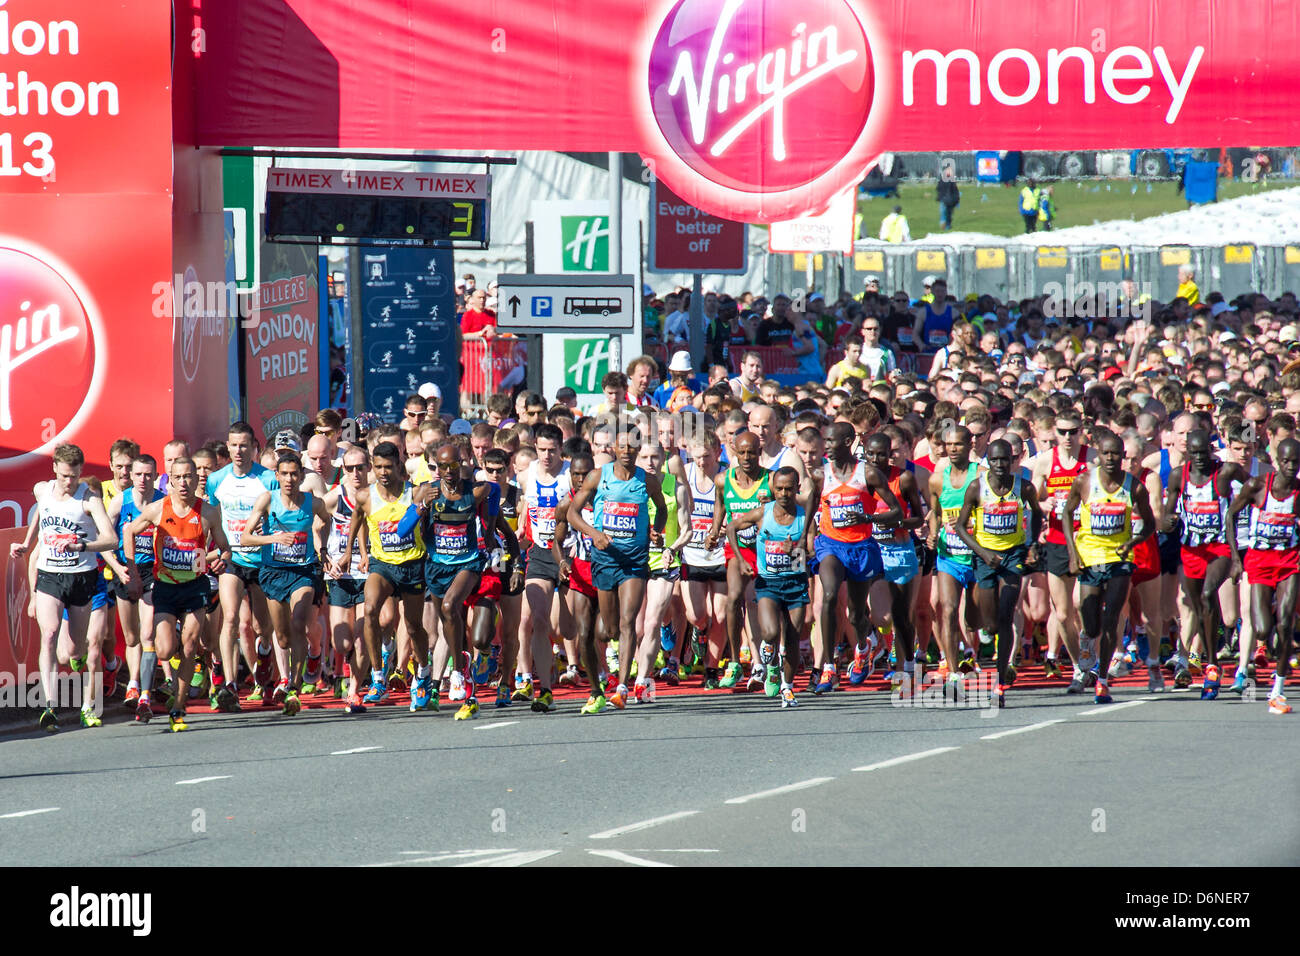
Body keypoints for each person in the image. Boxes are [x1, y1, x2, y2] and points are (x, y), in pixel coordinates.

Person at [10, 444, 120, 733]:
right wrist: (27, 543)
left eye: (74, 477)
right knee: (48, 633)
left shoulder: (89, 501)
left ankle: (77, 657)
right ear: (55, 469)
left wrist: (82, 545)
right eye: (64, 476)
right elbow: (40, 515)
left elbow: (111, 540)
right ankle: (50, 705)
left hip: (82, 576)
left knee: (73, 649)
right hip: (50, 574)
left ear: (81, 472)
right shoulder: (42, 490)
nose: (69, 482)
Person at [123, 456, 231, 732]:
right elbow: (129, 531)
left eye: (188, 477)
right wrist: (133, 571)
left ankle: (178, 707)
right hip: (166, 588)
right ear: (170, 480)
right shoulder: (158, 509)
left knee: (191, 646)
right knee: (165, 649)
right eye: (178, 477)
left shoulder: (208, 512)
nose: (183, 483)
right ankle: (175, 672)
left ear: (196, 479)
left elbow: (224, 547)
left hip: (195, 586)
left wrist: (220, 559)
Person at [567, 426, 667, 710]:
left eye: (631, 447)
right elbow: (573, 513)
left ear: (637, 450)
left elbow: (661, 509)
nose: (626, 452)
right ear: (614, 448)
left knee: (627, 622)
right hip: (605, 560)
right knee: (607, 630)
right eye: (621, 446)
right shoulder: (599, 477)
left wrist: (656, 531)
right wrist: (593, 533)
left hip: (634, 561)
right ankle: (605, 677)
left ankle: (622, 686)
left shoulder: (647, 481)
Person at [1063, 431, 1156, 705]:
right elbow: (1067, 513)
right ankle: (1086, 642)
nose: (1112, 458)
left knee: (1110, 619)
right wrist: (1072, 552)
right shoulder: (1084, 481)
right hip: (1090, 557)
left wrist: (1134, 541)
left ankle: (1101, 680)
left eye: (1117, 453)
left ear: (1123, 456)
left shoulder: (1134, 486)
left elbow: (1150, 524)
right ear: (1098, 454)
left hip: (1120, 559)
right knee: (1090, 621)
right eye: (1106, 453)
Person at [810, 422, 902, 694]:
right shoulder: (820, 474)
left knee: (857, 614)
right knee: (828, 597)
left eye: (831, 441)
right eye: (824, 440)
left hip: (861, 547)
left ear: (848, 441)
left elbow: (896, 512)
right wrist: (806, 538)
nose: (826, 446)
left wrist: (868, 518)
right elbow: (810, 504)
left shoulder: (869, 474)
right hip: (830, 545)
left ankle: (864, 646)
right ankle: (829, 667)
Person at [239, 451, 333, 715]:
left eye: (294, 474)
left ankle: (294, 686)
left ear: (301, 476)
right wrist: (273, 539)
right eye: (285, 474)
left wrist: (322, 548)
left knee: (299, 623)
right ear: (277, 476)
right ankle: (270, 656)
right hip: (274, 571)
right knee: (281, 636)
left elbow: (326, 522)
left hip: (304, 571)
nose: (290, 479)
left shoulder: (313, 504)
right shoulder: (268, 500)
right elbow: (246, 538)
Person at [340, 441, 431, 709]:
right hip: (383, 565)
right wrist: (351, 552)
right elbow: (357, 519)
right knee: (369, 610)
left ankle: (423, 673)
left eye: (388, 467)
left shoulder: (413, 493)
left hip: (412, 564)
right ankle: (378, 677)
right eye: (378, 467)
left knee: (413, 626)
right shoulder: (366, 496)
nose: (383, 472)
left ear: (399, 465)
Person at [409, 443, 496, 720]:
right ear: (436, 465)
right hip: (436, 566)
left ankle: (458, 670)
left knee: (449, 607)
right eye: (442, 466)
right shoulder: (426, 489)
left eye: (453, 466)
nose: (448, 471)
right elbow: (401, 529)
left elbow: (494, 492)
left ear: (463, 463)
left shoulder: (475, 489)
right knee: (445, 623)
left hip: (468, 564)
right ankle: (463, 671)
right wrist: (422, 506)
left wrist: (490, 526)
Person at [955, 439, 1043, 707]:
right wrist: (983, 553)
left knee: (1005, 617)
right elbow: (960, 527)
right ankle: (982, 619)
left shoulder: (1024, 487)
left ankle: (1000, 682)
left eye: (1005, 459)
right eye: (994, 460)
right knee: (990, 624)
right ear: (988, 462)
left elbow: (1037, 513)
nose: (1000, 465)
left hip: (1013, 557)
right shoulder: (976, 487)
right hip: (985, 558)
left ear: (1013, 460)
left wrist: (1033, 543)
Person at [1161, 429, 1247, 698]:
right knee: (1198, 607)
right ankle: (1212, 662)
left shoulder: (1226, 472)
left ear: (1211, 450)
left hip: (1220, 547)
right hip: (1191, 549)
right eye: (1193, 453)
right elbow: (1168, 513)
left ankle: (1211, 666)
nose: (1199, 458)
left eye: (1203, 453)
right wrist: (1167, 522)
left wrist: (1242, 510)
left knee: (1210, 594)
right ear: (1188, 453)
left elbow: (1255, 487)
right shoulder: (1179, 476)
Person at [725, 467, 813, 708]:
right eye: (779, 488)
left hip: (795, 583)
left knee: (793, 637)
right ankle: (771, 664)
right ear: (773, 489)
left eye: (789, 488)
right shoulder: (763, 513)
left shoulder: (805, 518)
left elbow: (812, 553)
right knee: (771, 633)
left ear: (797, 489)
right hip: (768, 583)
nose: (784, 493)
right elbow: (732, 527)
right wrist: (741, 560)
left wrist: (795, 551)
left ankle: (787, 687)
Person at [1227, 437, 1300, 714]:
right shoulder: (1257, 486)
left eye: (1296, 461)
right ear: (1277, 460)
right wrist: (1236, 559)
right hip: (1258, 562)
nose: (1291, 466)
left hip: (1289, 562)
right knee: (1261, 629)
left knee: (1284, 626)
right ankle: (1260, 657)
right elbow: (1230, 515)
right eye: (1286, 461)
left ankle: (1278, 691)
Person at [208, 422, 279, 703]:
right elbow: (211, 519)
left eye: (244, 445)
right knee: (231, 620)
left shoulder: (268, 478)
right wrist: (210, 553)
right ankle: (230, 684)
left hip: (261, 560)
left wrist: (269, 529)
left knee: (264, 627)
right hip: (232, 557)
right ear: (228, 446)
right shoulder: (216, 480)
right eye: (234, 445)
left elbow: (281, 513)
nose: (239, 451)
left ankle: (264, 657)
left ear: (254, 448)